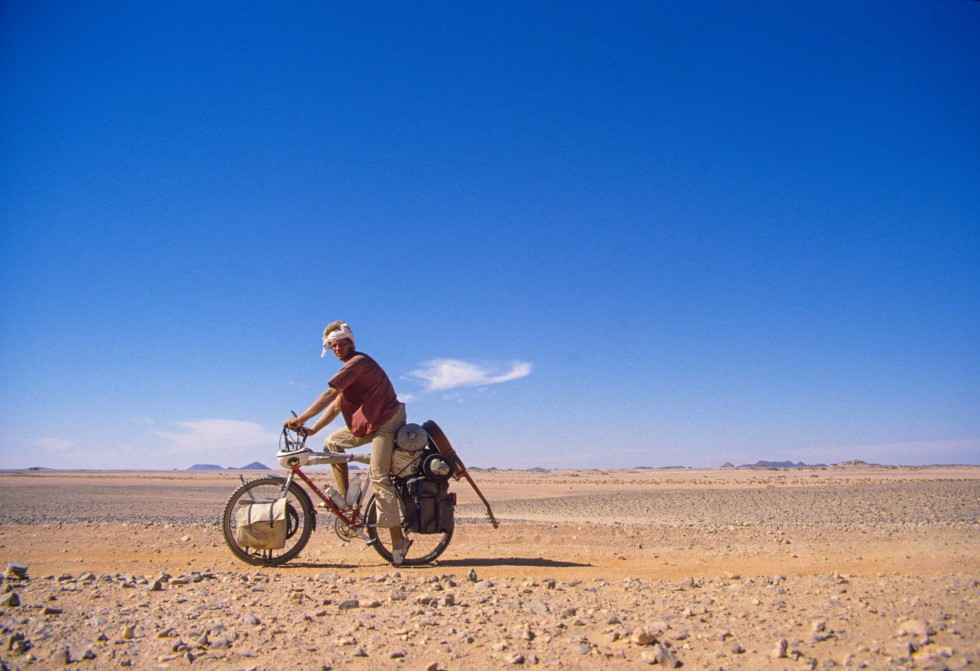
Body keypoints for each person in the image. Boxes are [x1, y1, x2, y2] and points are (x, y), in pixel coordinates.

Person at [284, 321, 411, 565]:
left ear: (351, 343)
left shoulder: (358, 363)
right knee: (332, 442)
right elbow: (336, 405)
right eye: (333, 345)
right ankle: (345, 503)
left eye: (343, 344)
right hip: (370, 422)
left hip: (386, 421)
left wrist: (300, 418)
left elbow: (330, 394)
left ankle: (398, 540)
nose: (338, 348)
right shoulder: (350, 370)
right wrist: (312, 430)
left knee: (378, 475)